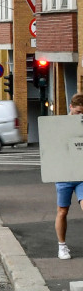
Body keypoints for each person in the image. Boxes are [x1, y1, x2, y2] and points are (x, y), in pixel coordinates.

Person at [55, 94, 83, 260]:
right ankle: (62, 246)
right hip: (64, 173)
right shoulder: (59, 125)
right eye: (78, 111)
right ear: (71, 107)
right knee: (62, 211)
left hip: (81, 173)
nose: (80, 115)